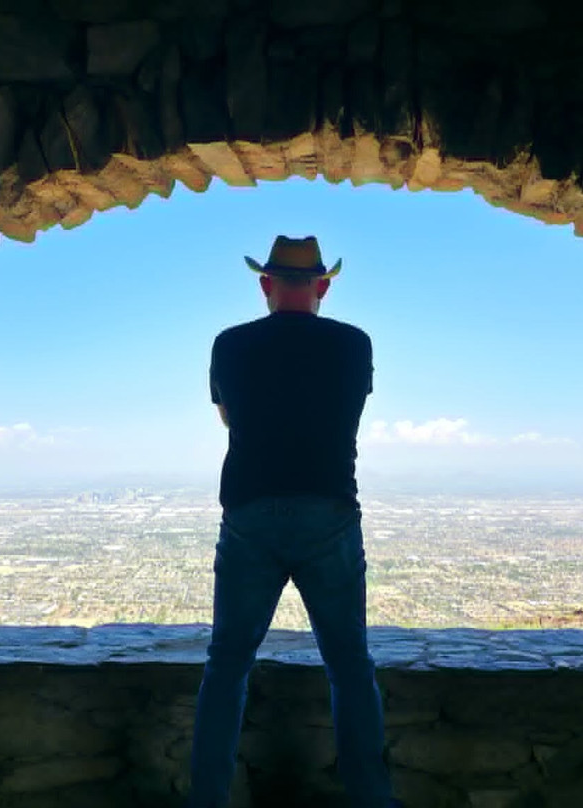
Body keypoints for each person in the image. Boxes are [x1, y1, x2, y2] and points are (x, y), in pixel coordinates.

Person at [187, 236, 397, 807]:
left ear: (265, 285)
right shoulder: (354, 344)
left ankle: (205, 800)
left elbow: (229, 418)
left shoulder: (229, 344)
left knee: (226, 664)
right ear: (323, 286)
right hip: (328, 510)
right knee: (350, 664)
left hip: (250, 511)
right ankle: (371, 799)